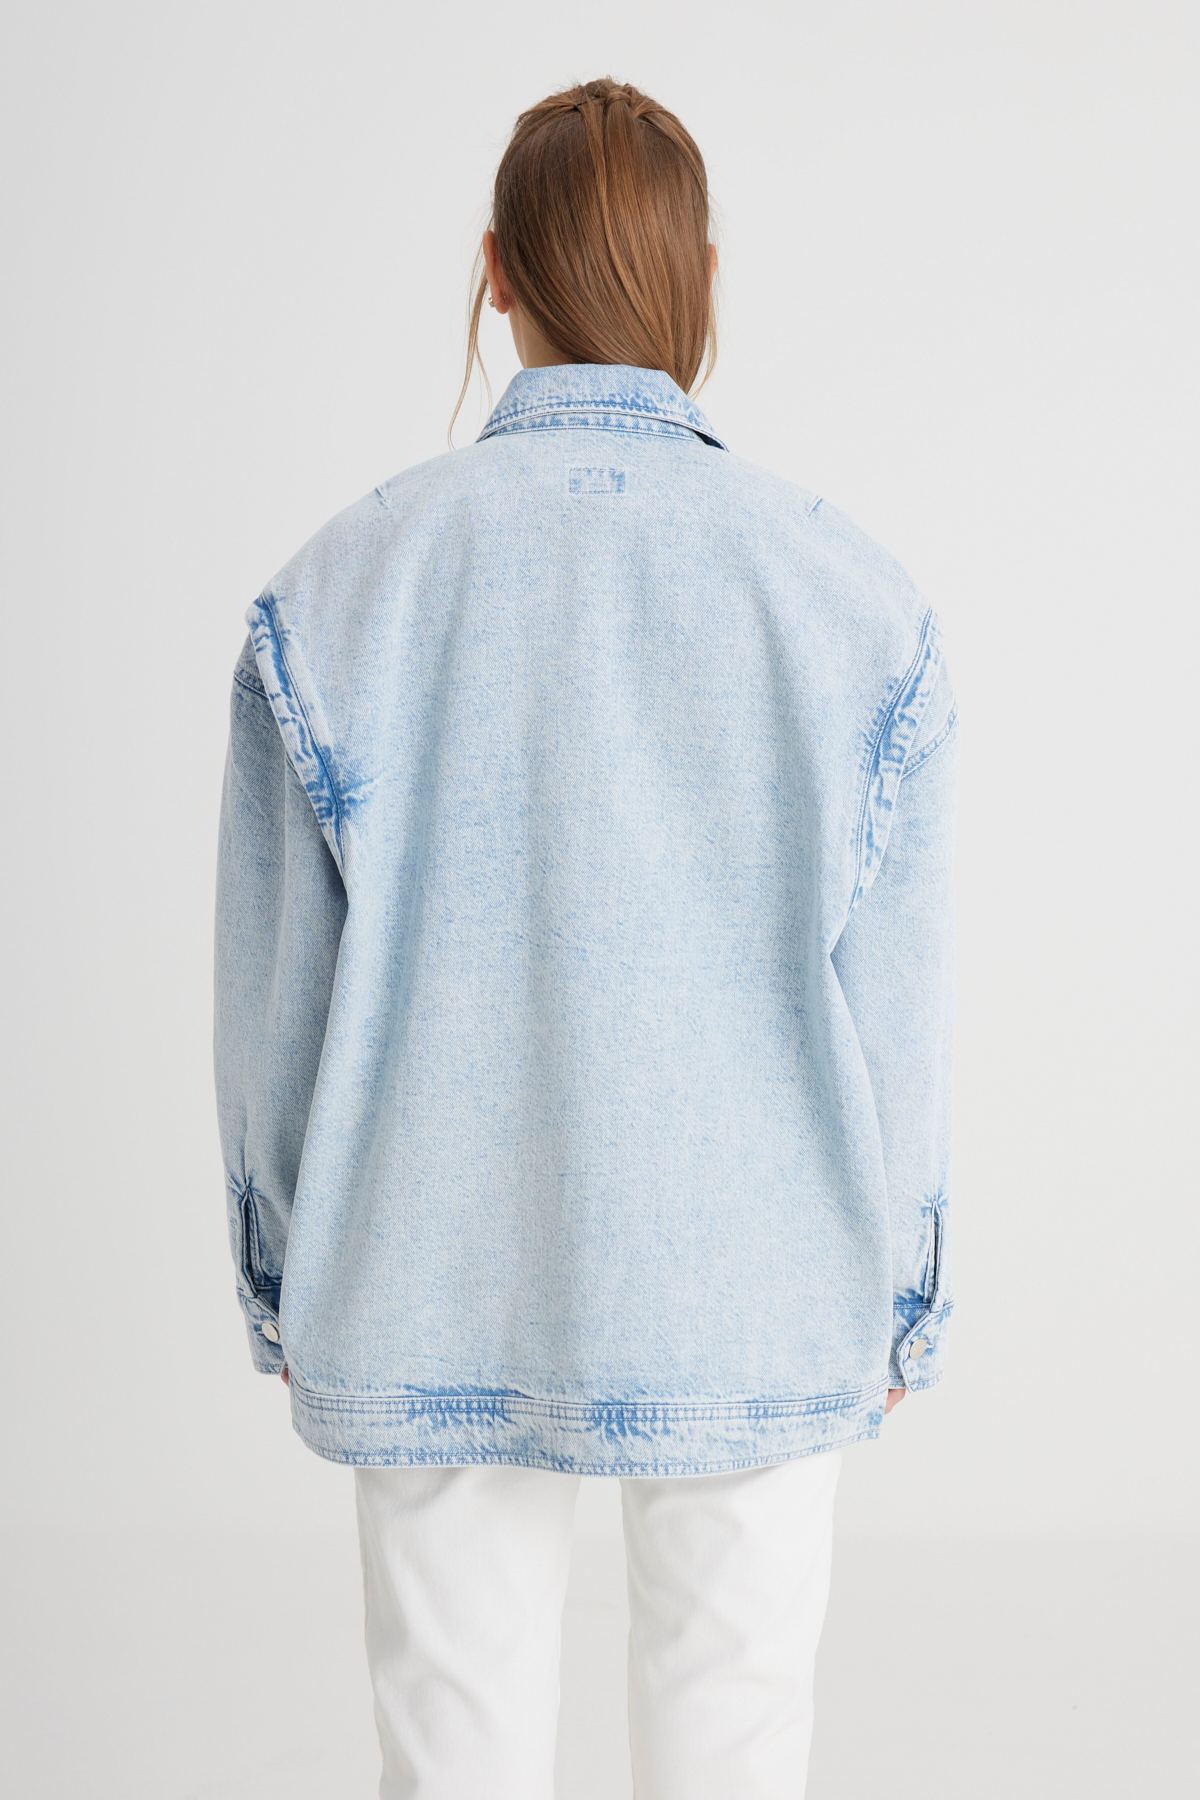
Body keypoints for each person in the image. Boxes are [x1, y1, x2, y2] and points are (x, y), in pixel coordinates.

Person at [214, 76, 958, 1800]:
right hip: (763, 1273)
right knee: (736, 1745)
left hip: (424, 1258)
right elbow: (898, 1014)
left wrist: (282, 1273)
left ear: (496, 273)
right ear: (707, 275)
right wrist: (902, 1297)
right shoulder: (855, 601)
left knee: (452, 1750)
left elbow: (276, 1006)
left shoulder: (335, 590)